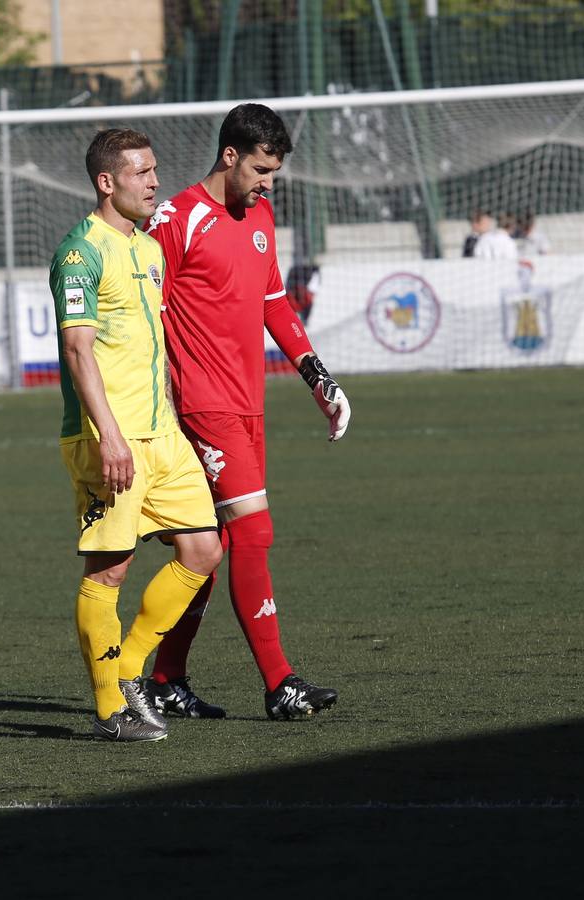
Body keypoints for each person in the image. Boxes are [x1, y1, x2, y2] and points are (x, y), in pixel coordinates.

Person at [143, 103, 350, 721]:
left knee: (210, 545)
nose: (267, 183)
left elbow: (274, 302)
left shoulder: (260, 212)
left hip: (248, 402)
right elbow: (148, 317)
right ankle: (280, 683)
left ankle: (164, 678)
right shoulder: (174, 220)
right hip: (201, 406)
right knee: (253, 533)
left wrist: (315, 375)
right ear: (228, 155)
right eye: (260, 169)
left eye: (274, 173)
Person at [51, 127, 224, 742]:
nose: (155, 182)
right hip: (110, 436)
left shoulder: (148, 250)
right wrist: (110, 436)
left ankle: (127, 672)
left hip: (164, 433)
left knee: (204, 551)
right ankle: (108, 710)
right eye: (141, 172)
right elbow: (77, 350)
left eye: (155, 171)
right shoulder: (80, 253)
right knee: (110, 571)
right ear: (107, 182)